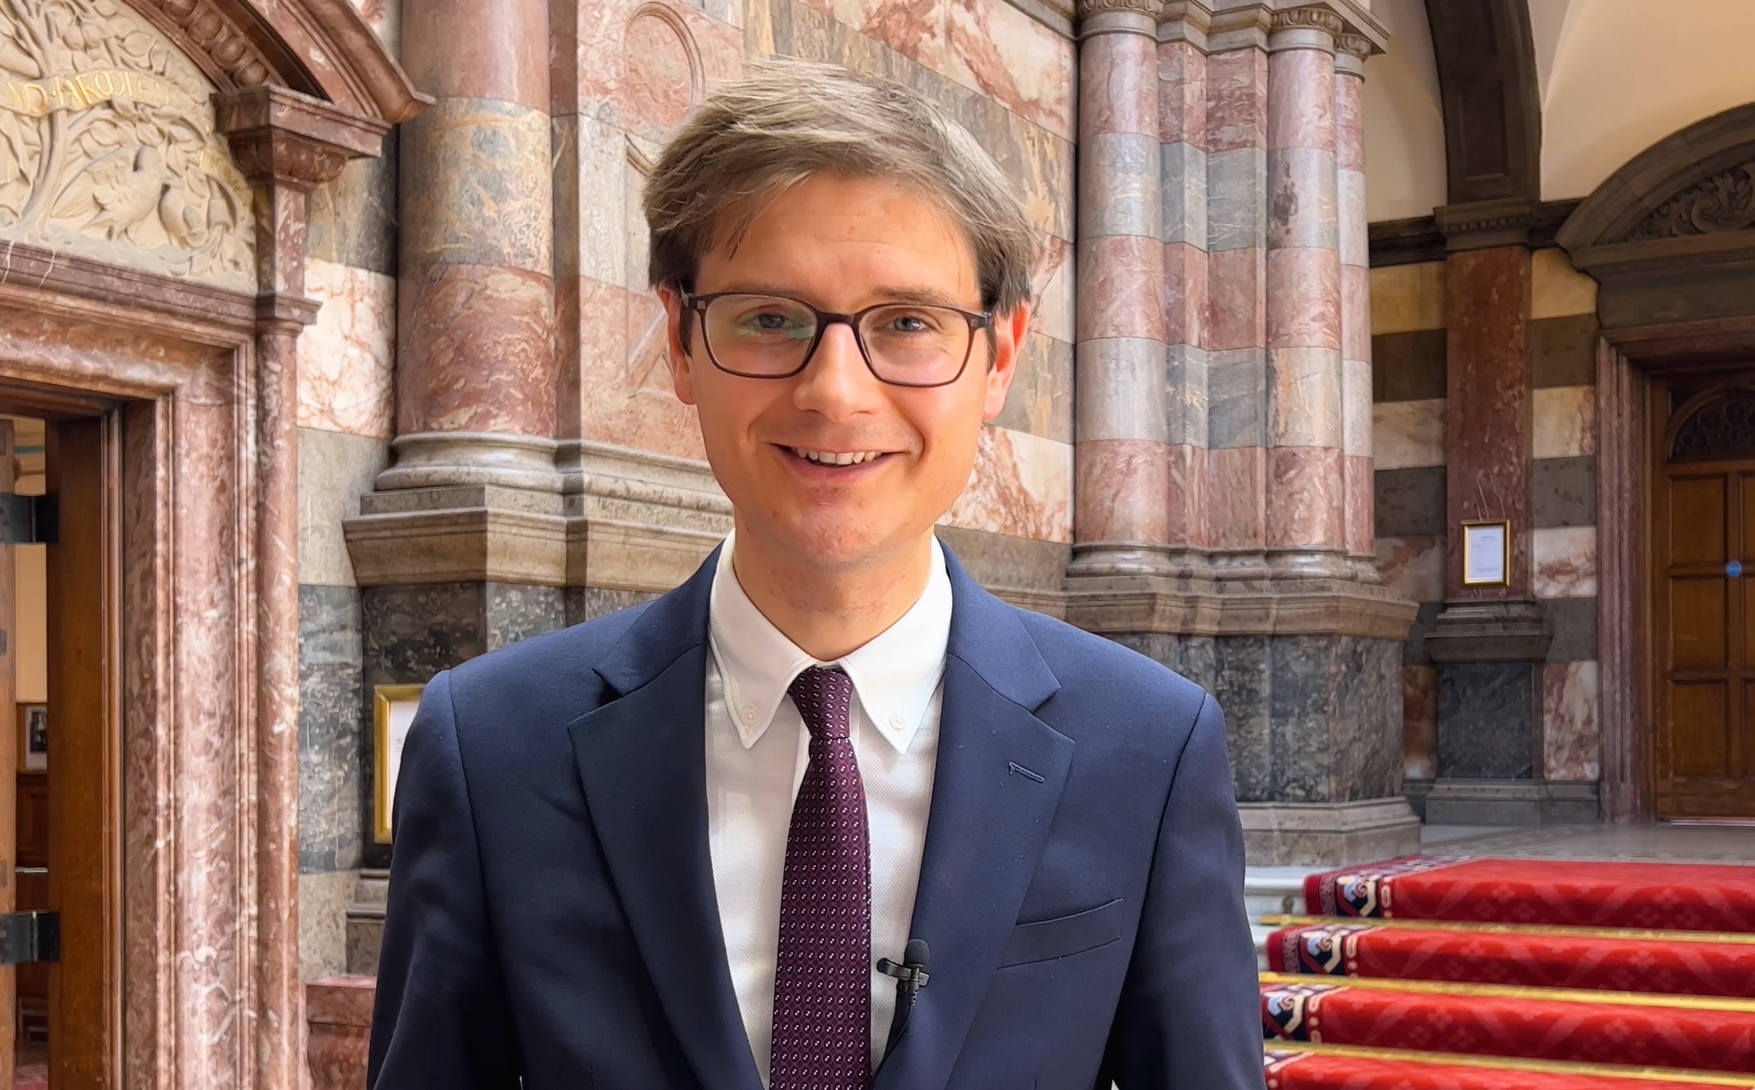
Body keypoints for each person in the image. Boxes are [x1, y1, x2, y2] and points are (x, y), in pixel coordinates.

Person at [368, 59, 1261, 1090]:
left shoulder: (1146, 750)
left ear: (999, 358)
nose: (835, 393)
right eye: (769, 317)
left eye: (908, 323)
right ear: (679, 342)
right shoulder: (489, 747)